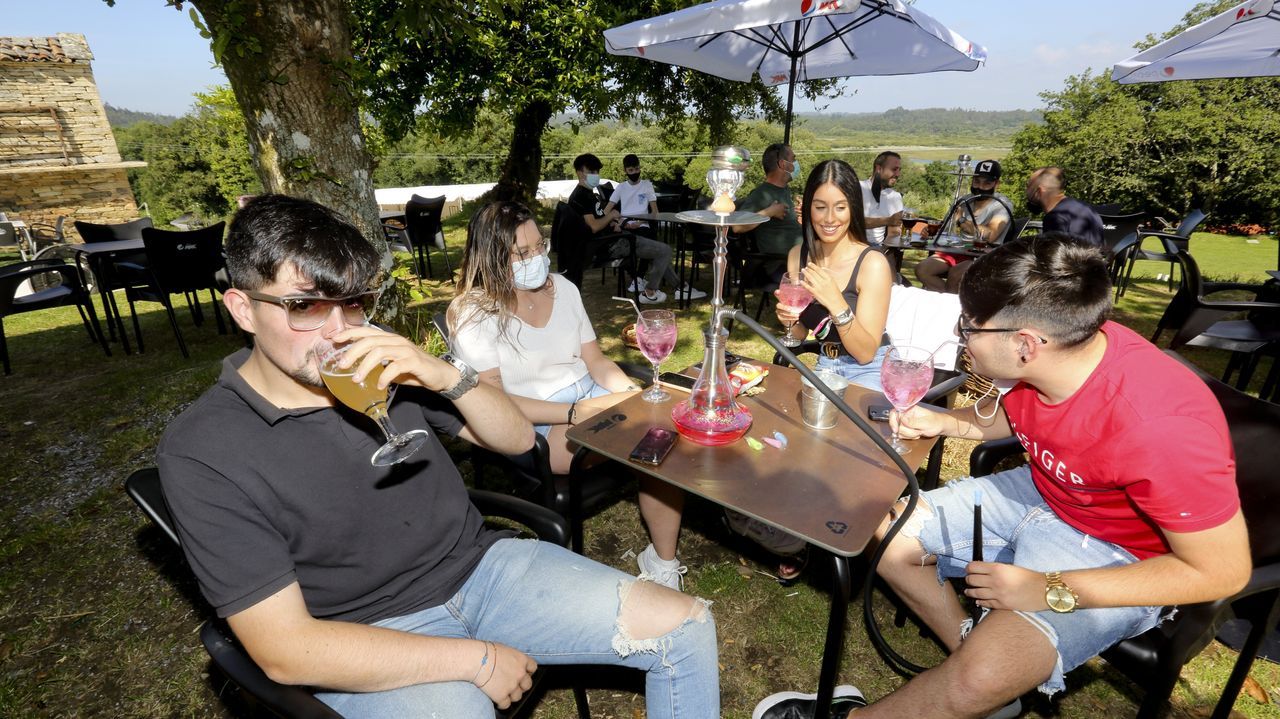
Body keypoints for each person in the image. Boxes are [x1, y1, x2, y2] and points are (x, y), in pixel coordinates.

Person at [157, 195, 719, 718]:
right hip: (363, 631)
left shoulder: (385, 367)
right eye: (305, 306)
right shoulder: (205, 450)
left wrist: (447, 376)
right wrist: (474, 660)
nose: (338, 333)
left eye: (352, 304)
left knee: (687, 626)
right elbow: (287, 649)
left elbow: (518, 441)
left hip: (483, 571)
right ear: (243, 309)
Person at [755, 234, 1249, 719]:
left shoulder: (1163, 428)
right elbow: (1019, 412)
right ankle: (981, 657)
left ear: (1026, 344)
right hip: (1040, 490)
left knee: (976, 679)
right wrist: (950, 421)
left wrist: (1052, 588)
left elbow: (1222, 571)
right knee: (883, 527)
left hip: (1117, 555)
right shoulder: (1058, 355)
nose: (960, 337)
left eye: (968, 326)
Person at [448, 200, 690, 590]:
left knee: (659, 433)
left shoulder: (563, 287)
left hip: (589, 399)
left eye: (539, 246)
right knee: (643, 437)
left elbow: (595, 361)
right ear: (491, 258)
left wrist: (628, 391)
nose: (536, 257)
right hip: (534, 422)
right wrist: (576, 411)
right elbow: (494, 399)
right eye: (521, 253)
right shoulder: (473, 313)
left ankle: (662, 561)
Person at [730, 159, 894, 582]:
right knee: (777, 435)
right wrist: (791, 320)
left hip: (870, 368)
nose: (830, 218)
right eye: (820, 207)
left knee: (833, 449)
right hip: (824, 360)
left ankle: (823, 534)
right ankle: (789, 529)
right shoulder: (798, 254)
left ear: (853, 208)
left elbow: (863, 349)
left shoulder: (872, 263)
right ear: (806, 207)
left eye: (840, 207)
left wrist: (837, 301)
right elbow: (806, 330)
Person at [568, 152, 704, 304]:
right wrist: (612, 216)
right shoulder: (581, 196)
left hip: (612, 239)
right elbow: (594, 226)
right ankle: (651, 292)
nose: (596, 175)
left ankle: (681, 288)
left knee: (658, 251)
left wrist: (613, 223)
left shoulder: (587, 194)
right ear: (580, 172)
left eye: (597, 172)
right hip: (609, 245)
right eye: (591, 172)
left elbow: (598, 220)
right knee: (664, 250)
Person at [915, 159, 1012, 293]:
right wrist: (933, 231)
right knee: (922, 270)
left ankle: (951, 307)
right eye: (977, 181)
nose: (980, 187)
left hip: (982, 255)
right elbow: (947, 226)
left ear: (997, 184)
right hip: (957, 250)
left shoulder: (1001, 204)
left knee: (956, 274)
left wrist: (961, 220)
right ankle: (949, 303)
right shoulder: (965, 199)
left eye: (987, 183)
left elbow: (990, 235)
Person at [733, 142, 804, 256]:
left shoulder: (783, 189)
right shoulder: (761, 194)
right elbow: (737, 227)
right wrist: (769, 212)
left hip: (802, 257)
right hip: (781, 264)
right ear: (782, 164)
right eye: (793, 159)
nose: (795, 164)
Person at [1026, 166, 1105, 248]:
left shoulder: (1054, 218)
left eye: (1028, 186)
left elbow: (1052, 258)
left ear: (1039, 191)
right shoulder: (1087, 208)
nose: (1026, 191)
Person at [605, 153, 659, 238]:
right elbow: (606, 210)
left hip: (642, 226)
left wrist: (640, 223)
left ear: (640, 167)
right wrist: (618, 221)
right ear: (625, 170)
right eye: (630, 170)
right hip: (623, 226)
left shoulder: (647, 185)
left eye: (637, 169)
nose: (634, 172)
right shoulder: (621, 187)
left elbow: (655, 212)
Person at [860, 151, 904, 245]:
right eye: (894, 169)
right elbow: (852, 222)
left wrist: (884, 252)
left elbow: (893, 233)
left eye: (899, 170)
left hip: (877, 248)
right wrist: (887, 220)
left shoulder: (895, 197)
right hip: (853, 244)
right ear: (879, 168)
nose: (898, 174)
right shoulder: (858, 188)